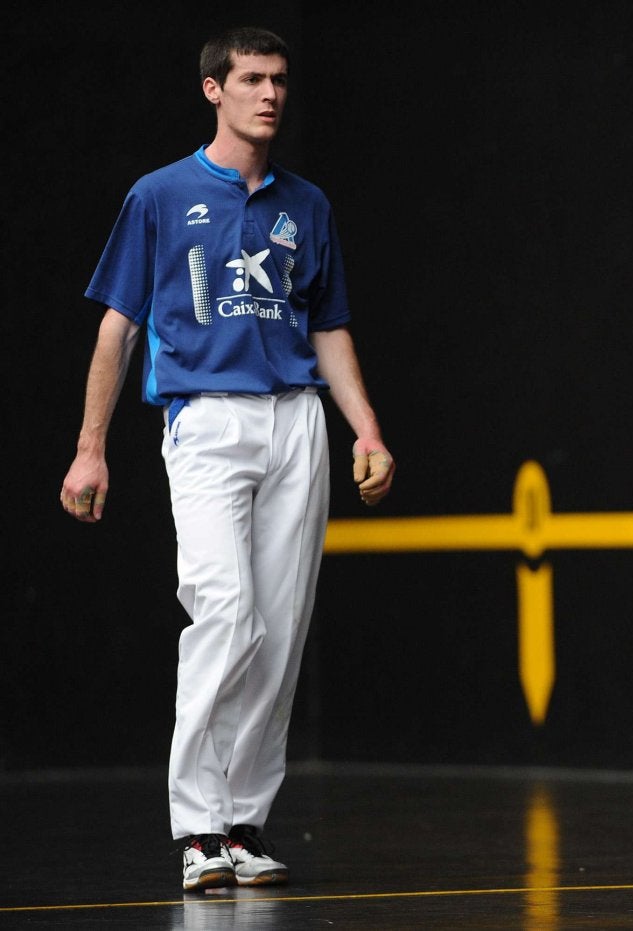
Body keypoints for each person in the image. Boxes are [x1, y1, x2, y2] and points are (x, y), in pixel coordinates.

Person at [58, 26, 395, 891]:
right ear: (214, 89)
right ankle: (196, 826)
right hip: (205, 419)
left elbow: (327, 328)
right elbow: (118, 327)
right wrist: (90, 449)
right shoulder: (160, 196)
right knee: (226, 608)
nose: (269, 94)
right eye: (251, 79)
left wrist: (365, 428)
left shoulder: (307, 204)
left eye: (279, 79)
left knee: (278, 631)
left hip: (296, 423)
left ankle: (244, 823)